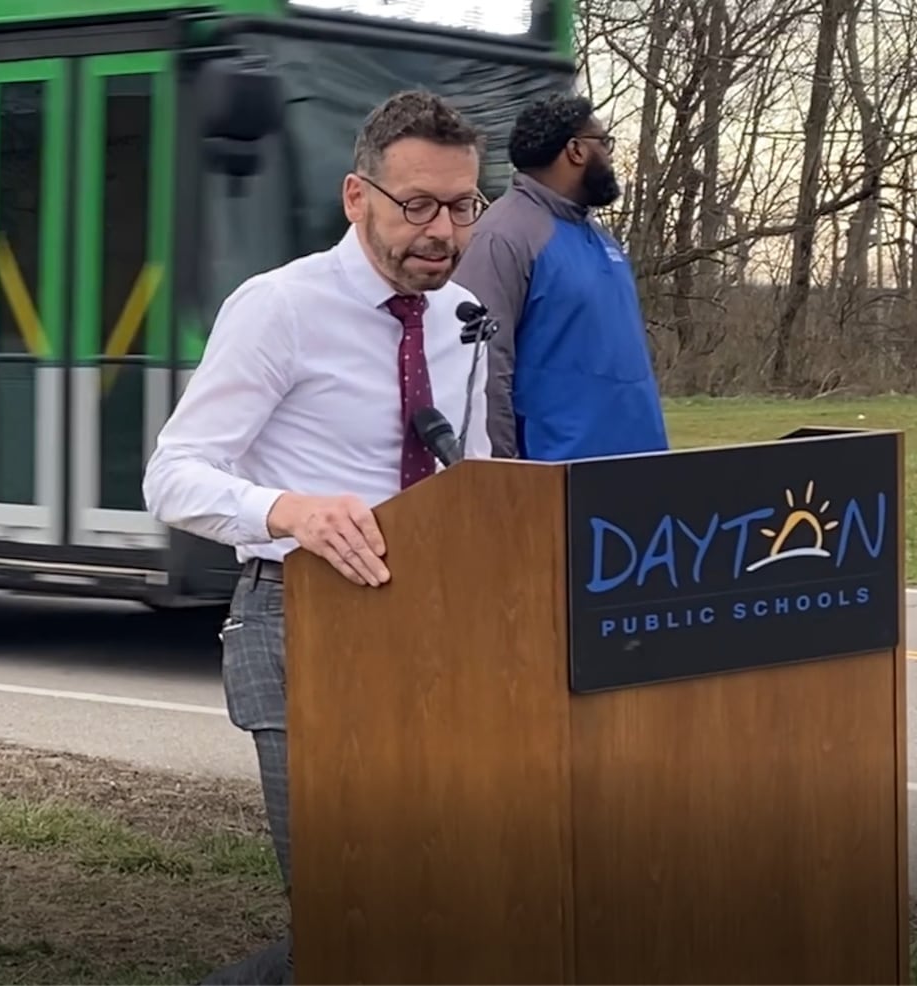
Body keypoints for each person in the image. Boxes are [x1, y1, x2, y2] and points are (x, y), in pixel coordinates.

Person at [143, 90, 493, 985]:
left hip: (433, 632)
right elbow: (173, 476)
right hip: (298, 627)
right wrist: (291, 511)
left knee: (435, 903)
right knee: (350, 918)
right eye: (417, 205)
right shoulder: (277, 308)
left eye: (462, 206)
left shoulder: (464, 320)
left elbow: (475, 479)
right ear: (356, 197)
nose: (442, 232)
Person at [454, 92, 669, 461]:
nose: (610, 154)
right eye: (604, 142)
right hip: (557, 480)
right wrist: (503, 480)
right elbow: (484, 369)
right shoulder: (503, 236)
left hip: (637, 472)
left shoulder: (601, 238)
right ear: (576, 150)